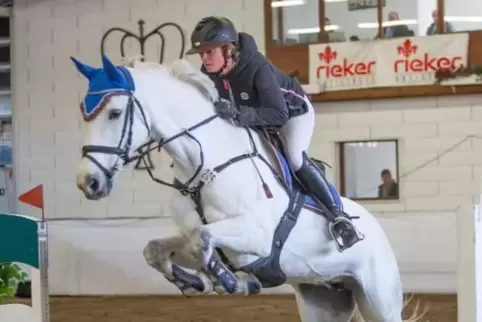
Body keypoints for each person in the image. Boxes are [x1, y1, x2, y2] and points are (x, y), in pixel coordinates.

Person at [185, 16, 363, 251]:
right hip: (256, 118)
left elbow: (277, 114)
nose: (204, 59)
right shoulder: (210, 73)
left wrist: (238, 114)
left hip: (292, 114)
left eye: (209, 52)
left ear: (228, 49)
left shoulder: (258, 68)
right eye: (202, 54)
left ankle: (339, 218)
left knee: (295, 158)